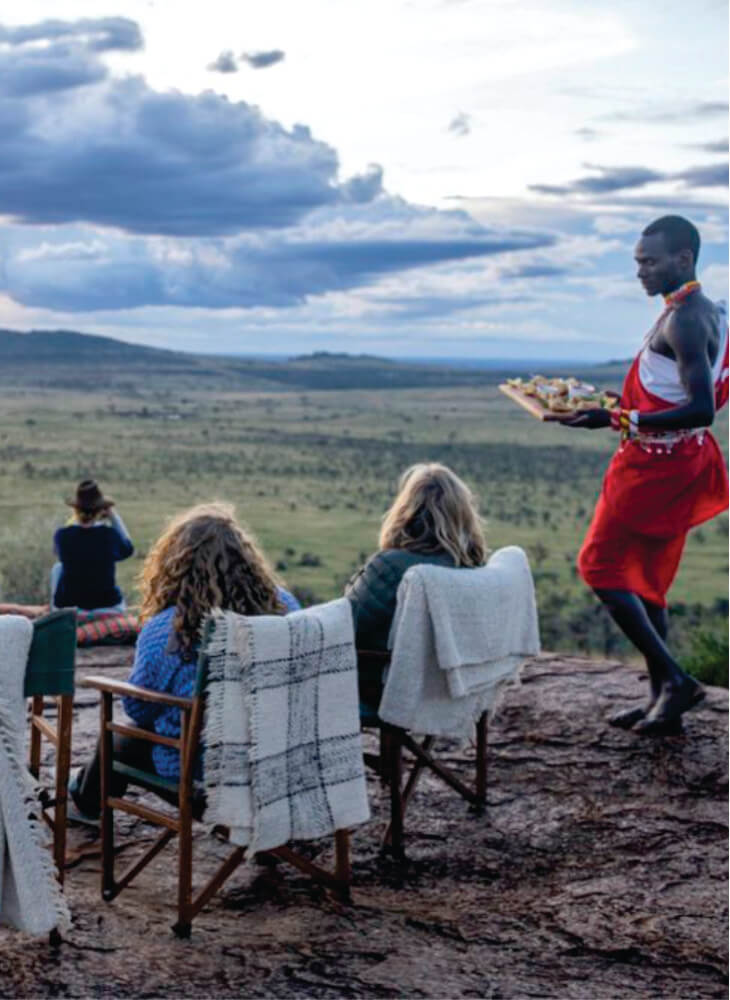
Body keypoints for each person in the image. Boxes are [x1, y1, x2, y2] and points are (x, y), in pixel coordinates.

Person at [560, 215, 728, 734]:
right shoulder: (707, 312)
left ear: (684, 259)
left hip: (653, 469)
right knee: (649, 580)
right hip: (679, 462)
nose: (640, 272)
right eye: (637, 262)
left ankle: (675, 681)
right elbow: (675, 394)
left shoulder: (685, 319)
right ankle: (662, 696)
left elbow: (701, 408)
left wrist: (616, 418)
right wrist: (616, 405)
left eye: (649, 261)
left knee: (600, 566)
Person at [69, 502, 299, 822]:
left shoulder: (167, 629)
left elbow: (139, 709)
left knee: (118, 736)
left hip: (206, 779)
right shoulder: (285, 607)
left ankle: (84, 801)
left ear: (175, 565)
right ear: (247, 560)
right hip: (277, 764)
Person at [346, 462, 487, 706]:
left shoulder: (389, 566)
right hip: (452, 687)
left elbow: (350, 623)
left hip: (386, 689)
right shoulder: (473, 571)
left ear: (404, 509)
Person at [51, 479, 134, 612]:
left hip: (69, 604)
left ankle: (56, 612)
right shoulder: (109, 535)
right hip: (107, 604)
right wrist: (113, 516)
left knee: (58, 568)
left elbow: (60, 553)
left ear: (76, 510)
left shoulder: (62, 535)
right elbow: (128, 549)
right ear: (100, 510)